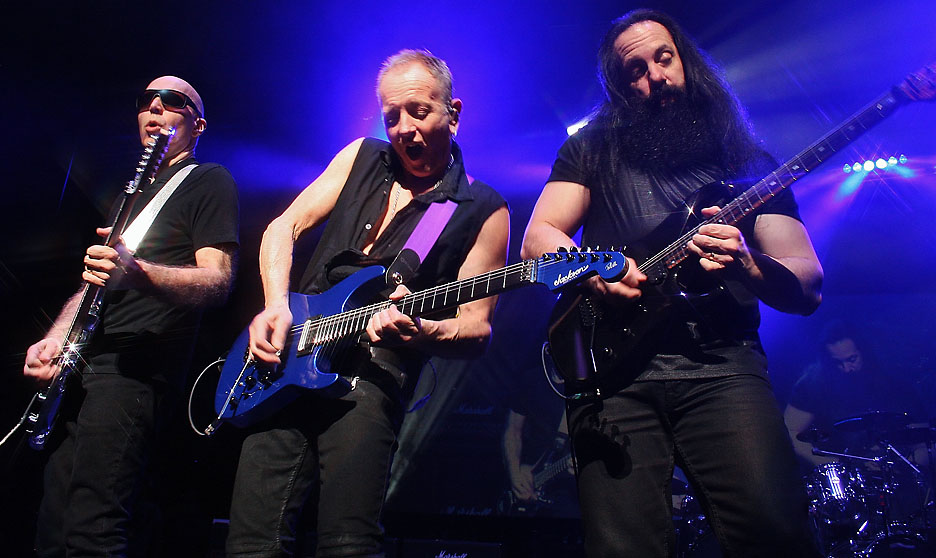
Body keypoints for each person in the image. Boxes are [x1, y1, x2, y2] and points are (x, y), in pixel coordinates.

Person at [521, 9, 824, 557]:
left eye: (663, 58)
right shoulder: (590, 148)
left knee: (777, 535)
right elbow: (540, 235)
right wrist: (590, 273)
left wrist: (748, 266)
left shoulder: (750, 162)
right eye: (634, 70)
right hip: (612, 375)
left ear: (686, 61)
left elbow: (807, 283)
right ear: (618, 86)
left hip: (722, 368)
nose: (654, 77)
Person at [225, 50, 509, 557]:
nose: (403, 128)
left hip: (372, 377)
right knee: (251, 541)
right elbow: (281, 228)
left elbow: (477, 329)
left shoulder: (483, 208)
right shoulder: (361, 157)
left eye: (419, 111)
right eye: (392, 116)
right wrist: (273, 305)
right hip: (290, 356)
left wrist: (424, 331)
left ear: (454, 112)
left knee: (347, 543)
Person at [23, 76, 240, 556]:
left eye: (173, 102)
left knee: (93, 527)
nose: (156, 108)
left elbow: (218, 280)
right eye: (146, 101)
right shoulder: (132, 193)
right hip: (83, 366)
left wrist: (138, 272)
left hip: (136, 371)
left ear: (197, 124)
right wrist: (56, 337)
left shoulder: (209, 180)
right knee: (52, 528)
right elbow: (95, 282)